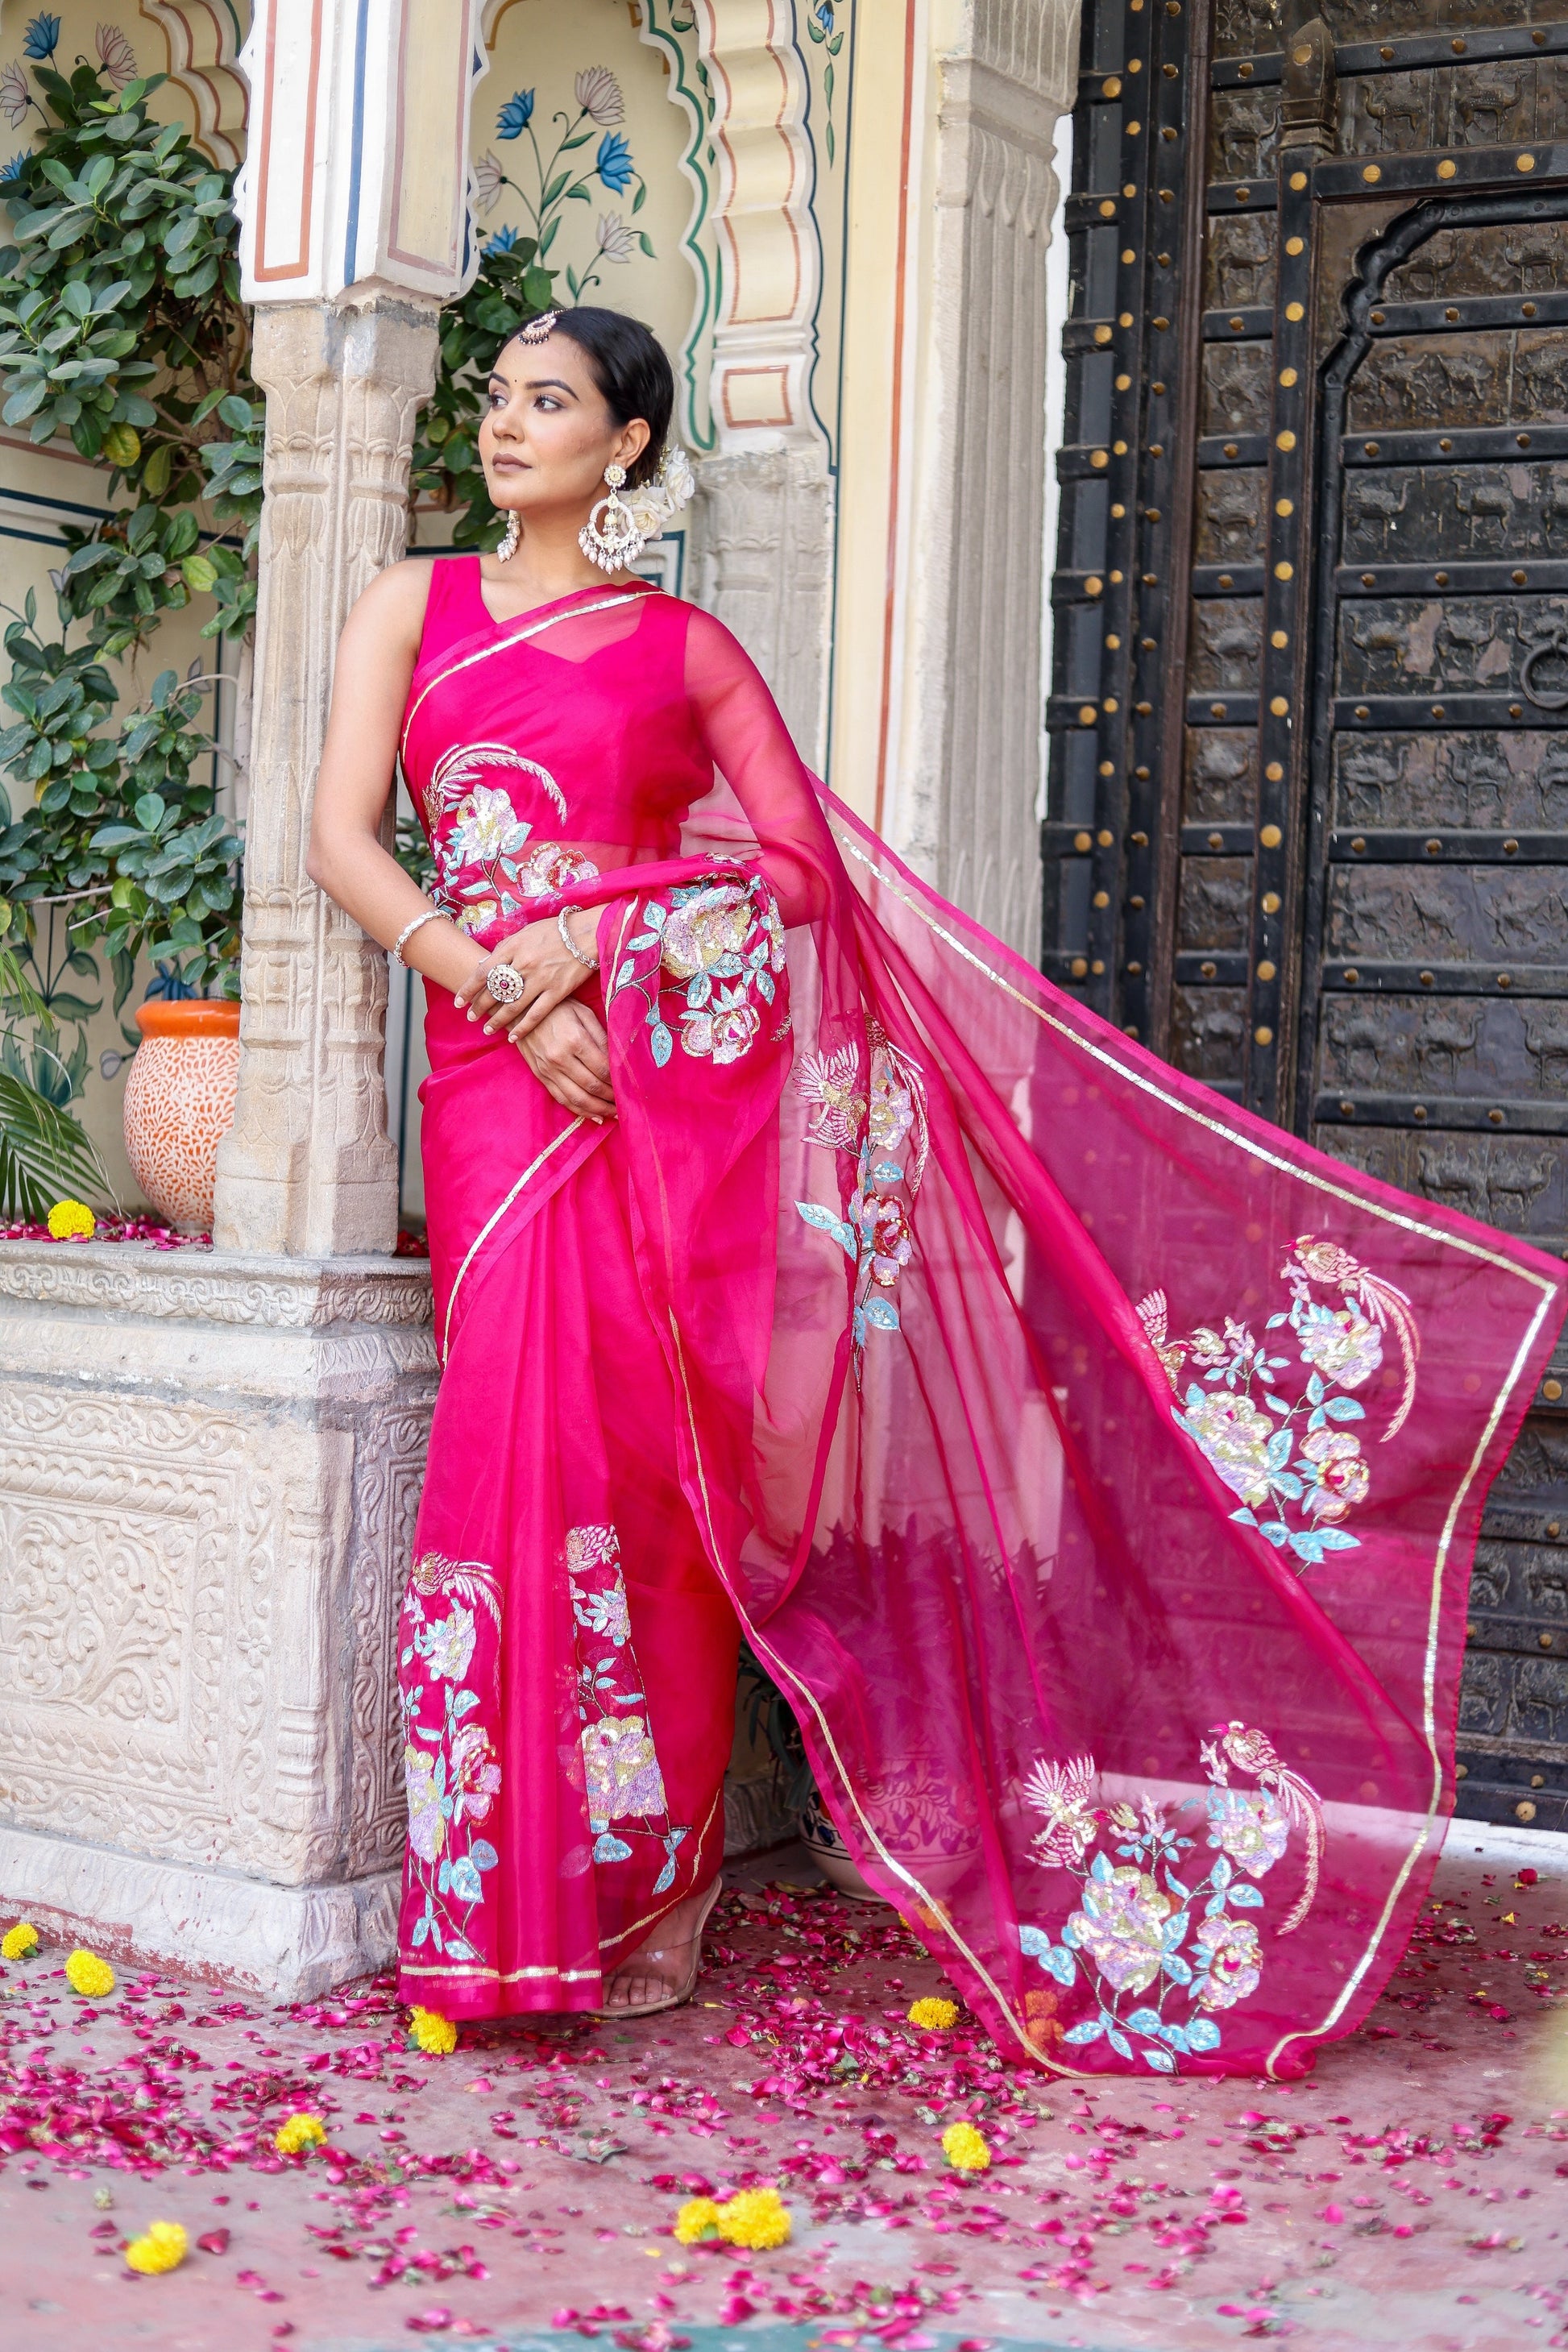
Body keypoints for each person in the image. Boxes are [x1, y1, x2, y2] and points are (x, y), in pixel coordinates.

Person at [308, 306, 1564, 2071]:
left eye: (551, 403)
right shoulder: (408, 608)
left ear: (629, 448)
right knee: (501, 1455)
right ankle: (488, 1911)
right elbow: (341, 836)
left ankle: (633, 1897)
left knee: (646, 1480)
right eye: (503, 399)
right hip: (493, 1082)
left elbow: (802, 878)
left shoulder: (682, 650)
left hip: (646, 1104)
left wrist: (605, 939)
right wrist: (497, 973)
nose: (508, 426)